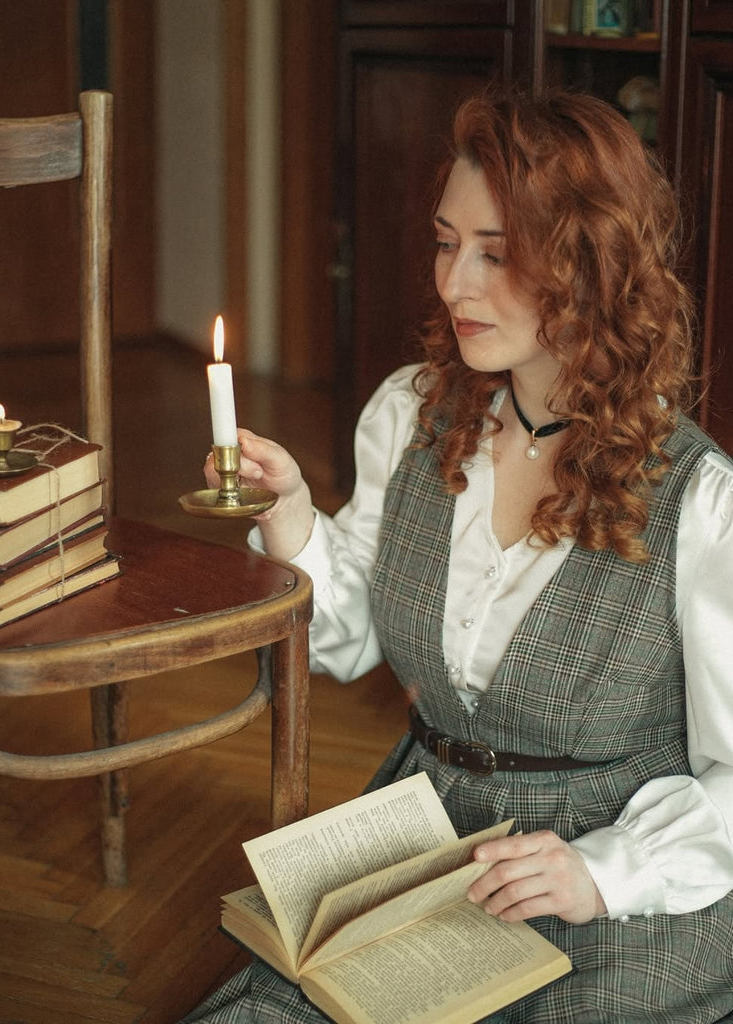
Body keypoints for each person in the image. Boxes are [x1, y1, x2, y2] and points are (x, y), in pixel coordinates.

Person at [182, 89, 733, 1023]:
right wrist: (292, 516)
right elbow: (350, 636)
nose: (453, 284)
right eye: (446, 243)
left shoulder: (703, 501)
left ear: (591, 266)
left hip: (609, 876)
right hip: (427, 828)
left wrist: (607, 869)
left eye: (497, 253)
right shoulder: (411, 417)